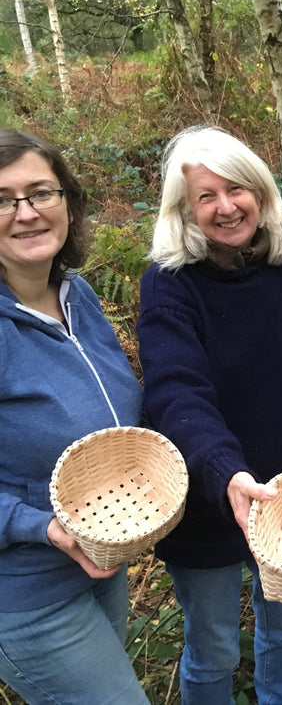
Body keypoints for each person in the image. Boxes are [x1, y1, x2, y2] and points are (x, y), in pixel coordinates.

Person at [136, 126, 282, 705]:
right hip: (209, 491)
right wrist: (226, 470)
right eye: (206, 196)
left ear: (261, 192)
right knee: (216, 644)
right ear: (184, 210)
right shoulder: (169, 284)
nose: (226, 207)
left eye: (237, 189)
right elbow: (177, 392)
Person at [0, 129, 148, 704]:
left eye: (41, 192)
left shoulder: (77, 297)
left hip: (100, 564)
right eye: (3, 199)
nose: (26, 212)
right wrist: (41, 527)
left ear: (68, 201)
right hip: (29, 594)